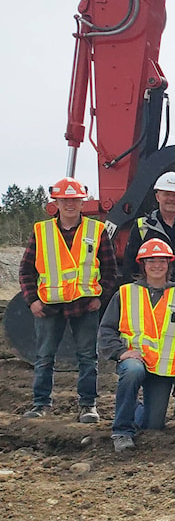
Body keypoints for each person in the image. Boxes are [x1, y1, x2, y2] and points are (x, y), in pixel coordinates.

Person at [19, 176, 118, 422]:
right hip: (49, 305)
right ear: (57, 202)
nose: (70, 205)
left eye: (74, 200)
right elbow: (26, 270)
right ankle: (41, 403)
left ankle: (88, 405)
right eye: (65, 200)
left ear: (83, 203)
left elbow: (110, 270)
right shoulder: (41, 231)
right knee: (44, 357)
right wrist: (32, 300)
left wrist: (100, 299)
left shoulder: (97, 231)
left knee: (87, 357)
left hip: (84, 306)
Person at [122, 171, 175, 417]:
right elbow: (130, 264)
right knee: (147, 345)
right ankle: (141, 397)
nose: (171, 198)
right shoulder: (143, 226)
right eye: (167, 194)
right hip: (149, 300)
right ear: (157, 195)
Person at [98, 238, 175, 452]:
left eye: (162, 261)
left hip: (163, 369)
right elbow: (106, 330)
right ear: (143, 264)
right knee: (132, 372)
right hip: (135, 362)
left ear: (169, 264)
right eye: (151, 260)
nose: (157, 265)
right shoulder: (124, 293)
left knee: (153, 425)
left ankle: (133, 406)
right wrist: (121, 352)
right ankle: (122, 431)